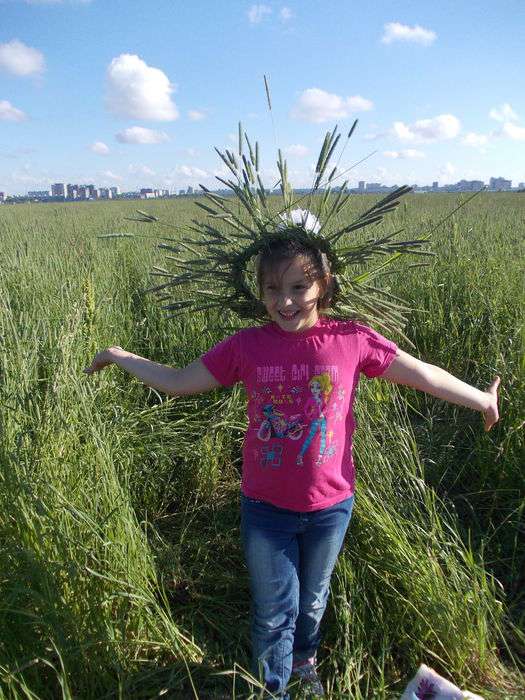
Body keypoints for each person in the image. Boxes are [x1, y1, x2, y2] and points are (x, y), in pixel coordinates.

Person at [85, 236, 499, 699]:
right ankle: (274, 688)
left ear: (322, 285)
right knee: (273, 609)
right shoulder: (246, 347)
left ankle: (304, 661)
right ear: (259, 292)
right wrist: (121, 357)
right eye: (272, 289)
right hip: (266, 509)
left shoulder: (352, 340)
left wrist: (481, 398)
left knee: (312, 601)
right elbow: (179, 381)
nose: (285, 301)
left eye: (299, 287)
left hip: (332, 506)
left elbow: (421, 372)